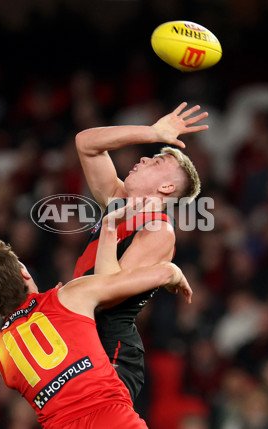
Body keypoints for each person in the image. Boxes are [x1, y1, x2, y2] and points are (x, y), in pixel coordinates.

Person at [0, 205, 192, 428]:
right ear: (24, 272)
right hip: (112, 418)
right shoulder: (70, 295)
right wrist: (171, 272)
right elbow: (124, 283)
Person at [73, 102, 207, 400]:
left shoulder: (159, 230)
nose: (145, 158)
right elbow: (86, 143)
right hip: (82, 337)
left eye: (157, 162)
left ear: (168, 187)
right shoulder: (119, 201)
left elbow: (108, 295)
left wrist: (109, 228)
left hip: (111, 349)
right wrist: (152, 132)